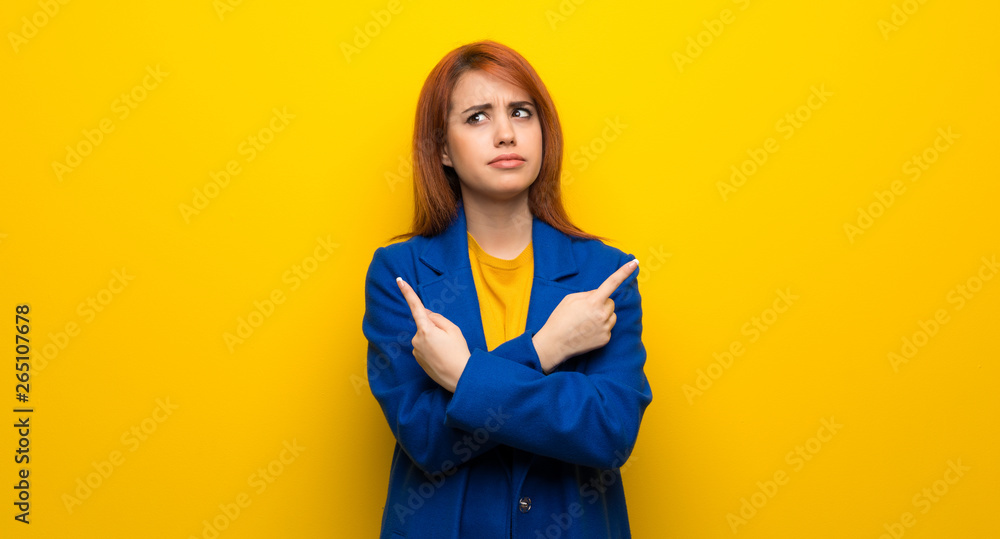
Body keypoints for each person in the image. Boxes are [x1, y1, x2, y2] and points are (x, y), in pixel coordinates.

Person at [362, 39, 653, 539]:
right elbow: (427, 438)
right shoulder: (400, 274)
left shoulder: (604, 274)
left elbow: (609, 431)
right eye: (477, 117)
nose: (505, 134)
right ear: (443, 149)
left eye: (521, 112)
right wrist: (546, 349)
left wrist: (463, 376)